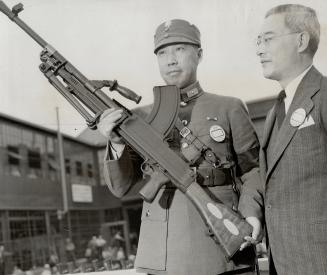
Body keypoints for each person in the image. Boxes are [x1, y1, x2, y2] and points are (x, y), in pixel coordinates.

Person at [98, 19, 263, 275]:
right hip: (163, 249)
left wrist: (250, 213)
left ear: (199, 54)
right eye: (162, 52)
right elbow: (121, 187)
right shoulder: (140, 119)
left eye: (179, 49)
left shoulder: (229, 107)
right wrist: (116, 142)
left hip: (219, 242)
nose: (170, 60)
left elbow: (252, 171)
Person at [256, 4, 327, 275]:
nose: (260, 49)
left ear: (301, 41)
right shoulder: (276, 111)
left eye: (269, 39)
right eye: (258, 41)